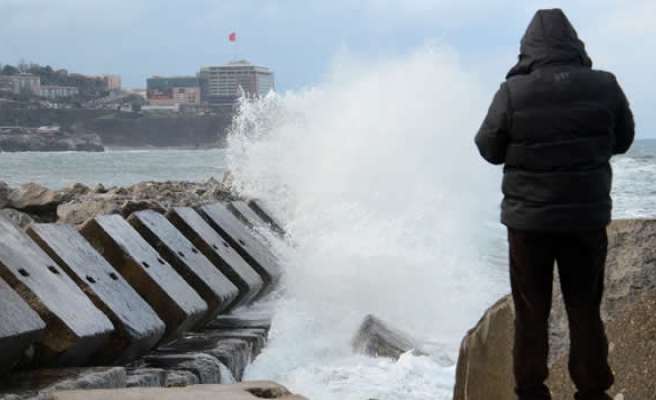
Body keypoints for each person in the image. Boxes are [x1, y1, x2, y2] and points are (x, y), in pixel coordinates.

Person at [474, 8, 635, 400]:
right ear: (574, 43)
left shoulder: (513, 92)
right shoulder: (604, 85)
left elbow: (488, 148)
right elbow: (624, 139)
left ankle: (531, 391)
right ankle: (592, 390)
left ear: (528, 48)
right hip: (585, 220)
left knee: (531, 314)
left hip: (529, 225)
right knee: (584, 310)